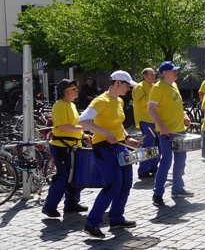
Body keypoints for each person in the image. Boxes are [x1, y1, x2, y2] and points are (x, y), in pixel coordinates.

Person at [78, 71, 139, 238]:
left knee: (126, 183)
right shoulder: (100, 101)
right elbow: (83, 121)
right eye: (127, 85)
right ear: (117, 83)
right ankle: (91, 223)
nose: (129, 88)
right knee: (113, 185)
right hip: (103, 148)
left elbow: (118, 124)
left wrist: (127, 137)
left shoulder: (119, 101)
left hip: (120, 146)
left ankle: (116, 218)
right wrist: (105, 133)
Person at [148, 61, 192, 207]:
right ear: (165, 73)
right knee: (166, 161)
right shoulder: (157, 88)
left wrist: (185, 115)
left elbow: (177, 105)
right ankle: (157, 193)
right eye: (173, 71)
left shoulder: (174, 85)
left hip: (179, 130)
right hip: (166, 132)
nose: (176, 73)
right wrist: (161, 126)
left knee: (181, 160)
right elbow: (151, 110)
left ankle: (177, 189)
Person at [42, 79, 88, 218]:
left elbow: (72, 125)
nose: (77, 90)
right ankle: (49, 207)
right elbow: (62, 127)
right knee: (63, 177)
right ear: (66, 91)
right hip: (62, 147)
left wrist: (83, 134)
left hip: (74, 145)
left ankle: (71, 204)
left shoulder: (71, 105)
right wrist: (83, 127)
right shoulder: (60, 105)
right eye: (74, 88)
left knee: (76, 176)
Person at [133, 68, 158, 179]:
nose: (154, 77)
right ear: (144, 76)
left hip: (156, 120)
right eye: (151, 75)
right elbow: (143, 102)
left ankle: (153, 166)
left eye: (154, 75)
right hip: (145, 119)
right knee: (148, 145)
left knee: (158, 145)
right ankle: (142, 170)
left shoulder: (154, 87)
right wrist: (153, 92)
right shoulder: (139, 87)